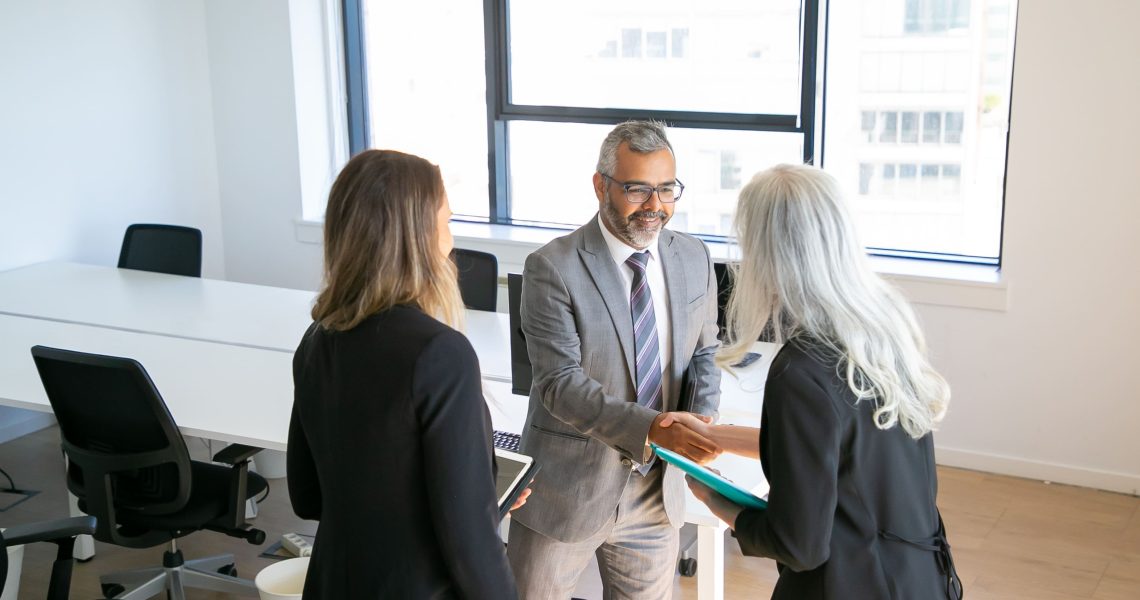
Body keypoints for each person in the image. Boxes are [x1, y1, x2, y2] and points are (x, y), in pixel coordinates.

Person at [679, 164, 963, 599]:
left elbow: (799, 544)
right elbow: (839, 446)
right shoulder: (883, 331)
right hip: (920, 577)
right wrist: (720, 436)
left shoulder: (800, 370)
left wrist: (714, 500)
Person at [287, 149, 518, 599]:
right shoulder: (441, 354)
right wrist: (482, 504)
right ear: (416, 236)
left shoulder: (317, 340)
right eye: (446, 224)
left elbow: (307, 495)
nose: (451, 242)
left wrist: (482, 496)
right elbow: (469, 542)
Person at [506, 120, 723, 598]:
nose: (655, 206)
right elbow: (560, 383)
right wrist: (652, 428)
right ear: (600, 185)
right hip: (567, 490)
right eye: (638, 189)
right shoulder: (552, 267)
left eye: (667, 190)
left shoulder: (693, 256)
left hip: (655, 491)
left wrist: (701, 421)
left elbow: (704, 352)